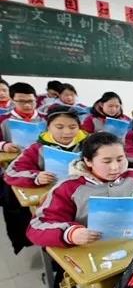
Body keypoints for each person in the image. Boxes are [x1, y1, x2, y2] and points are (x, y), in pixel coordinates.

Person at [27, 132, 133, 247]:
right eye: (106, 161)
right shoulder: (68, 188)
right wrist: (70, 234)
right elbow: (36, 227)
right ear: (88, 161)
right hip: (93, 251)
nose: (115, 167)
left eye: (120, 159)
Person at [4, 106, 87, 253]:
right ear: (48, 127)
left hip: (83, 196)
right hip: (54, 198)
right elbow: (11, 172)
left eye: (73, 127)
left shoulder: (90, 145)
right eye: (59, 127)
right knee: (57, 230)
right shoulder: (37, 148)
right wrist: (36, 177)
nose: (67, 132)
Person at [0, 82, 44, 153]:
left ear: (36, 99)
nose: (27, 105)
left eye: (30, 101)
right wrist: (3, 146)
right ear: (12, 100)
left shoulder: (47, 119)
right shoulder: (2, 119)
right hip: (13, 157)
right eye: (21, 101)